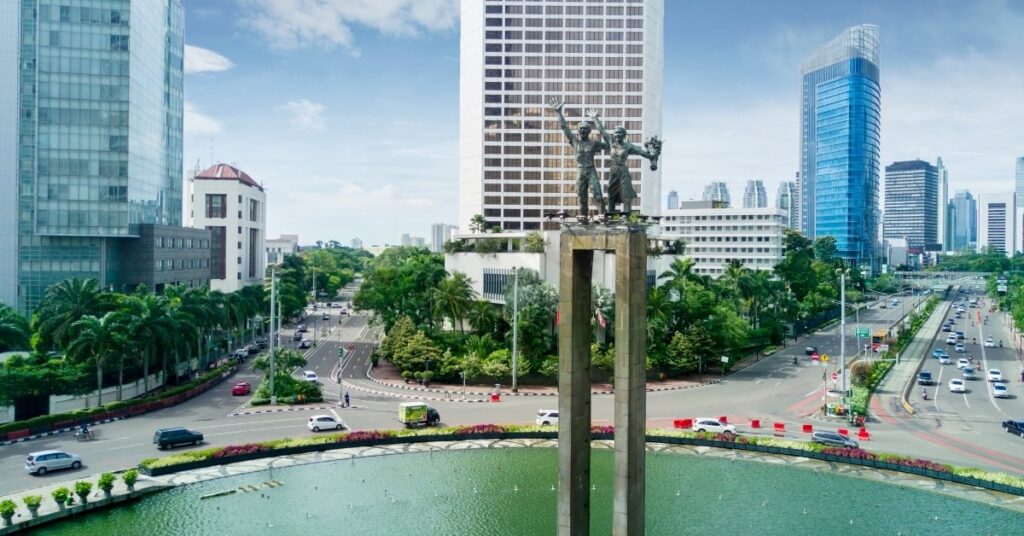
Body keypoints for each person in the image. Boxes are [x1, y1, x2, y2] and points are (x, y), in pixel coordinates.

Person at [590, 111, 660, 214]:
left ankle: (627, 216)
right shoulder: (611, 142)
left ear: (624, 135)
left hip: (623, 172)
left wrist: (653, 155)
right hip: (613, 171)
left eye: (620, 132)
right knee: (611, 194)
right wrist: (595, 118)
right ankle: (610, 216)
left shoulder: (628, 146)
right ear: (614, 134)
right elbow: (602, 130)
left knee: (626, 194)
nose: (618, 134)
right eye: (616, 132)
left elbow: (642, 152)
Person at [548, 97, 608, 219]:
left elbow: (608, 143)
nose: (583, 130)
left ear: (589, 131)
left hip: (591, 171)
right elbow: (565, 128)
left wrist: (596, 120)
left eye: (585, 128)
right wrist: (559, 113)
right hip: (580, 171)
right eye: (581, 128)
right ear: (578, 130)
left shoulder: (594, 143)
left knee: (597, 194)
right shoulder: (574, 141)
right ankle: (583, 216)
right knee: (581, 196)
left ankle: (602, 215)